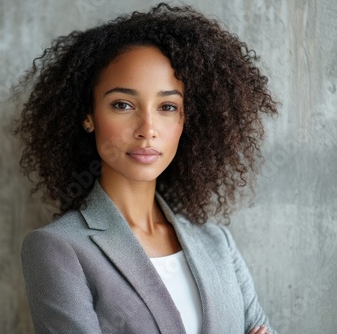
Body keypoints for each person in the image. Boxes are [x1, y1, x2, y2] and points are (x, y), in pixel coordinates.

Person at [15, 3, 278, 333]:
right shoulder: (58, 248)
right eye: (123, 104)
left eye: (168, 106)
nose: (147, 128)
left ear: (186, 120)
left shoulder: (217, 244)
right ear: (88, 116)